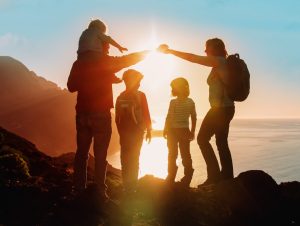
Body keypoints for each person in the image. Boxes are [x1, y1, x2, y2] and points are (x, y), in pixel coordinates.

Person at [67, 41, 149, 200]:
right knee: (101, 155)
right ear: (102, 46)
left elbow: (71, 87)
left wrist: (87, 79)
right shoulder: (106, 61)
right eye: (107, 47)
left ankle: (78, 189)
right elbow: (129, 59)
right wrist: (152, 51)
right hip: (100, 114)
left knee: (81, 153)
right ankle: (99, 192)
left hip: (82, 113)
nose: (108, 50)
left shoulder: (78, 63)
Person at [158, 38, 235, 186]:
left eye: (207, 48)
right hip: (227, 108)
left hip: (220, 109)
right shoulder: (223, 63)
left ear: (214, 49)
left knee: (202, 139)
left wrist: (170, 51)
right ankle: (227, 177)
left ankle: (214, 176)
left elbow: (192, 58)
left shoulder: (218, 61)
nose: (205, 51)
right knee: (221, 141)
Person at [115, 69, 152, 194]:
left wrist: (120, 132)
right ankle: (132, 187)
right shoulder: (141, 95)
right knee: (134, 158)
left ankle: (127, 186)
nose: (140, 84)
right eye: (138, 81)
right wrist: (149, 130)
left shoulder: (120, 96)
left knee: (125, 159)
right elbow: (146, 113)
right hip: (137, 131)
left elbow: (117, 118)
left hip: (125, 132)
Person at [163, 77, 197, 188]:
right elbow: (169, 117)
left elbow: (193, 117)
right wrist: (165, 129)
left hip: (178, 131)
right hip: (177, 131)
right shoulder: (176, 102)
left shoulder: (187, 102)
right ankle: (175, 176)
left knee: (179, 155)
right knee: (178, 154)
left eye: (173, 87)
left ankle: (181, 176)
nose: (172, 89)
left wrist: (192, 131)